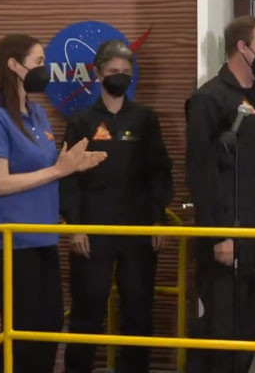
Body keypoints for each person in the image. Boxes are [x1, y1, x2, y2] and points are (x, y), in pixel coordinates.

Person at [0, 34, 106, 373]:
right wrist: (57, 170)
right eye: (39, 62)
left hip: (44, 237)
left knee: (48, 329)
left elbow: (47, 170)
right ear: (13, 65)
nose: (45, 69)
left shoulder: (37, 113)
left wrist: (71, 166)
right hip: (13, 242)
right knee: (23, 337)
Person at [59, 39, 173, 373]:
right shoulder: (81, 121)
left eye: (126, 70)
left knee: (138, 309)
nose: (120, 76)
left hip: (138, 228)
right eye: (113, 71)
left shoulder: (146, 119)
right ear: (98, 74)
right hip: (92, 229)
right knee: (87, 309)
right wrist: (74, 225)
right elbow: (68, 177)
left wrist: (158, 219)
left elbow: (159, 171)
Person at [185, 15, 255, 373]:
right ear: (242, 48)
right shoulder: (208, 99)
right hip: (227, 231)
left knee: (250, 323)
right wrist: (220, 234)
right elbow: (201, 173)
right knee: (222, 327)